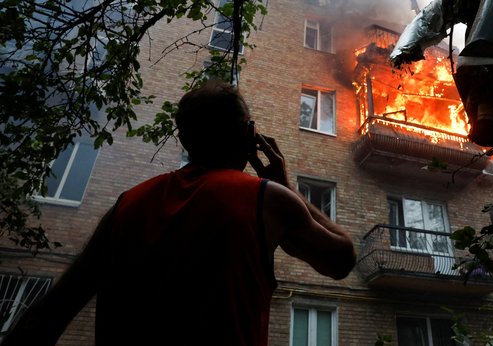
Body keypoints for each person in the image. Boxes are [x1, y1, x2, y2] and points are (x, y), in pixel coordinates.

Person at [3, 79, 356, 346]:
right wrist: (288, 188)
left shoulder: (128, 203)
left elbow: (50, 313)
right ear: (249, 136)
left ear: (185, 139)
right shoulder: (266, 200)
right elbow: (342, 259)